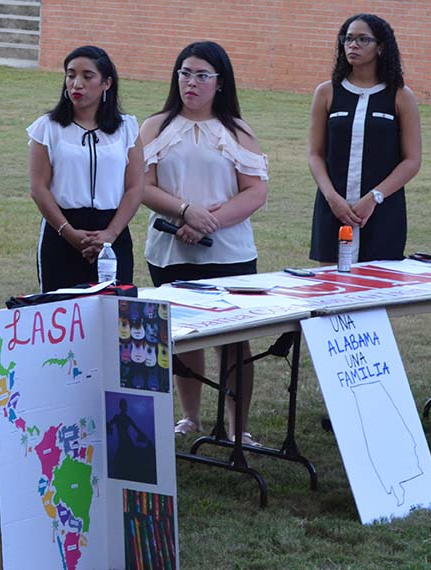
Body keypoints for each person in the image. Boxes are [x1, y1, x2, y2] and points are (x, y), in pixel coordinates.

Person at [140, 42, 268, 445]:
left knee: (234, 340)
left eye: (201, 75)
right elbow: (141, 186)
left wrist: (208, 221)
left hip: (229, 252)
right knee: (180, 335)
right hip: (170, 249)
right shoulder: (155, 127)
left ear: (220, 82)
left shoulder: (238, 132)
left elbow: (255, 191)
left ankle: (237, 426)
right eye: (184, 73)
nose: (190, 83)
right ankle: (191, 416)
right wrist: (184, 211)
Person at [28, 45, 144, 292]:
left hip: (113, 231)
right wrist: (69, 233)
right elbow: (39, 188)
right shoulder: (47, 127)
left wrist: (110, 234)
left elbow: (135, 187)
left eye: (87, 76)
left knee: (115, 315)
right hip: (62, 231)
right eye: (71, 75)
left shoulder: (127, 128)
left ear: (107, 83)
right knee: (62, 317)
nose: (76, 84)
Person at [309, 14, 422, 263]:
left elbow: (412, 160)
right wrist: (331, 198)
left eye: (363, 39)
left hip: (382, 211)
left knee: (378, 291)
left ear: (381, 47)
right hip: (333, 209)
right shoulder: (326, 92)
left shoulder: (401, 96)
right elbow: (315, 154)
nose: (353, 45)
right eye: (348, 38)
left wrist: (374, 197)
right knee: (331, 288)